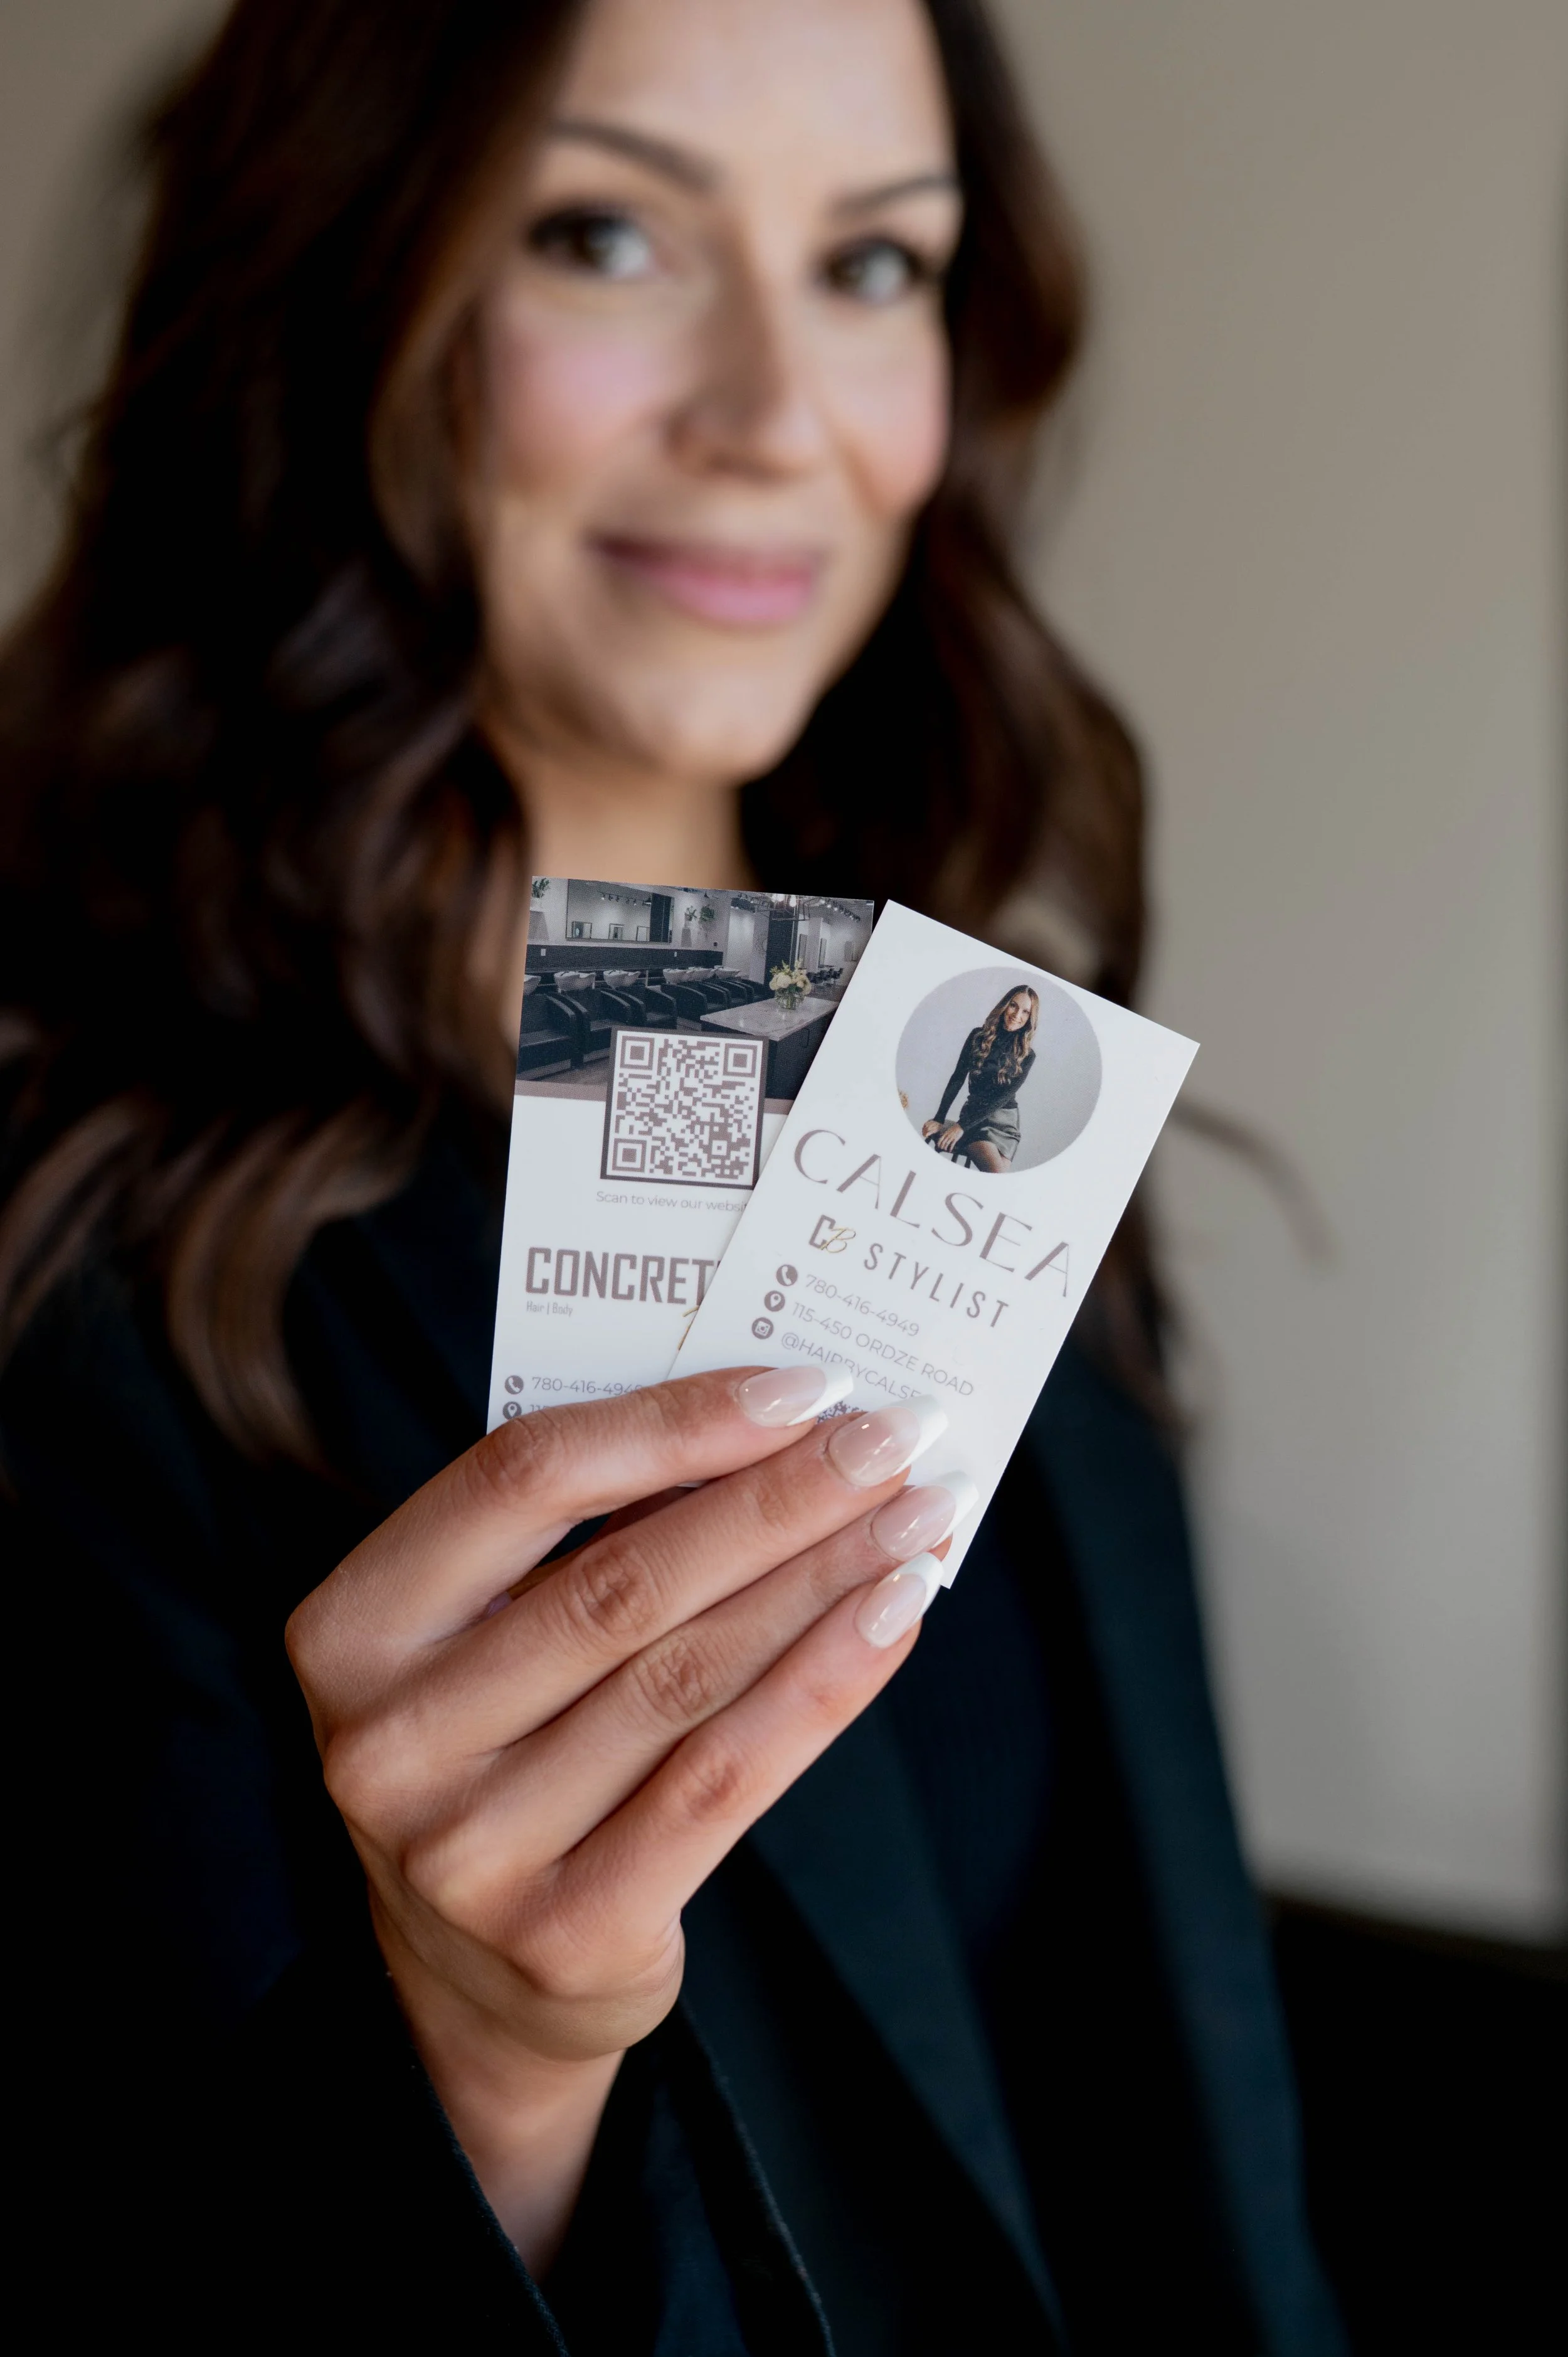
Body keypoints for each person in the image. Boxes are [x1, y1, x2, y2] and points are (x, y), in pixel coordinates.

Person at [0, 0, 1345, 2348]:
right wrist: (492, 2066)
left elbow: (1177, 2135)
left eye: (875, 266)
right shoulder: (80, 1258)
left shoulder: (1003, 1135)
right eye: (605, 234)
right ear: (342, 280)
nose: (769, 419)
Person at [922, 982, 1039, 1171]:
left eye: (1026, 1012)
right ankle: (948, 1128)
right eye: (1013, 1005)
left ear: (1030, 1018)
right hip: (974, 1117)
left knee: (997, 1176)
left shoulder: (1028, 1055)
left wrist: (960, 1127)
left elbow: (1002, 1098)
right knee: (997, 1173)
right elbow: (957, 1078)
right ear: (1005, 1005)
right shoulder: (978, 1036)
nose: (1017, 1015)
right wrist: (940, 1117)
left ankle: (952, 1129)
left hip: (1006, 1124)